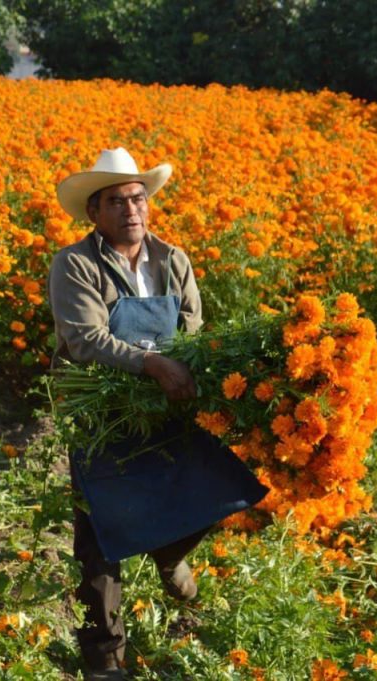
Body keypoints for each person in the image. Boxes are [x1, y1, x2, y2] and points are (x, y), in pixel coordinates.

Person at [48, 148, 266, 680]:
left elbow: (193, 331)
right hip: (102, 414)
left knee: (222, 487)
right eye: (117, 202)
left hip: (167, 404)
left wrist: (181, 369)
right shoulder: (75, 264)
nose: (132, 210)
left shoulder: (174, 260)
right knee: (100, 541)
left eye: (139, 199)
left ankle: (170, 553)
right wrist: (150, 363)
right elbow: (85, 339)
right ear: (94, 213)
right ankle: (105, 661)